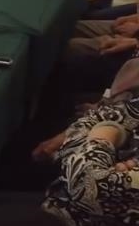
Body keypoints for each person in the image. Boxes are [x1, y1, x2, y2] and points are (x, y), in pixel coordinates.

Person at [42, 92, 139, 225]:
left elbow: (90, 185)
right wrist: (108, 131)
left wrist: (101, 136)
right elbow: (98, 119)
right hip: (60, 205)